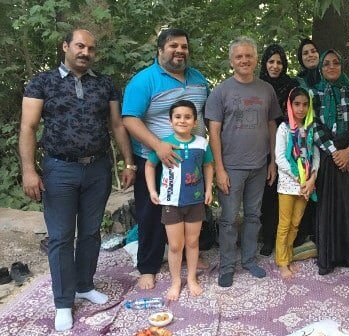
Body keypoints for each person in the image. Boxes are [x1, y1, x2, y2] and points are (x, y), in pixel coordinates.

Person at [19, 29, 135, 331]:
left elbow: (117, 125)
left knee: (91, 232)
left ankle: (84, 285)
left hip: (97, 169)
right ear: (66, 46)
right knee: (60, 237)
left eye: (91, 48)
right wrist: (30, 170)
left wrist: (129, 162)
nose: (85, 52)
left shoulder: (104, 84)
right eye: (80, 46)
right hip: (60, 169)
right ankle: (63, 301)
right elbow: (29, 127)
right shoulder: (42, 82)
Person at [122, 28, 209, 290]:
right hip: (157, 160)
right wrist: (158, 146)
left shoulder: (198, 78)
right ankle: (148, 266)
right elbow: (129, 119)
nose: (179, 51)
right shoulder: (144, 80)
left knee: (190, 209)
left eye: (184, 46)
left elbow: (204, 115)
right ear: (160, 50)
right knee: (152, 212)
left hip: (192, 160)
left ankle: (190, 256)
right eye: (173, 46)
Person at [206, 36, 282, 287]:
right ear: (231, 61)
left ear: (255, 58)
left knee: (253, 216)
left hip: (259, 165)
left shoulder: (266, 89)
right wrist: (219, 168)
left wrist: (272, 162)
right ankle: (227, 266)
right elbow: (213, 132)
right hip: (231, 167)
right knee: (228, 219)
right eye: (239, 56)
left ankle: (249, 259)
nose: (244, 60)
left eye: (248, 55)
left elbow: (272, 126)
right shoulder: (221, 91)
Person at [145, 100, 213, 300]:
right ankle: (176, 281)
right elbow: (149, 165)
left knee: (192, 242)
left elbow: (208, 166)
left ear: (194, 121)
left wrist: (209, 189)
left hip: (195, 202)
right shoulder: (164, 143)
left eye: (187, 117)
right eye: (178, 116)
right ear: (170, 120)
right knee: (175, 246)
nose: (182, 120)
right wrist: (152, 191)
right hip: (171, 202)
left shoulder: (202, 143)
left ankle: (191, 278)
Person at [312, 49, 349, 275]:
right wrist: (334, 152)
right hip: (328, 156)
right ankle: (329, 257)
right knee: (329, 207)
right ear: (321, 67)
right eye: (326, 63)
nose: (331, 67)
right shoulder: (314, 93)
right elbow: (313, 125)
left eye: (336, 62)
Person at [274, 87, 320, 278]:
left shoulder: (310, 129)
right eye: (297, 104)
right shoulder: (284, 128)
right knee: (284, 224)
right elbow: (280, 158)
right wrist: (298, 177)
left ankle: (289, 256)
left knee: (295, 224)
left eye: (305, 104)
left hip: (306, 185)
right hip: (288, 184)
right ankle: (282, 261)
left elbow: (315, 154)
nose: (301, 109)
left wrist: (312, 178)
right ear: (290, 106)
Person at [258, 44, 297, 256]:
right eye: (271, 61)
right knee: (267, 191)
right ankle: (267, 237)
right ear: (264, 63)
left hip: (288, 143)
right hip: (261, 143)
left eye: (279, 62)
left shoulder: (290, 85)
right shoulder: (257, 85)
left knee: (286, 189)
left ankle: (290, 237)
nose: (275, 66)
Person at [294, 38, 321, 247]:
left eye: (313, 51)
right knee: (305, 182)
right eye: (305, 53)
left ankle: (321, 233)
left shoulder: (331, 74)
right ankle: (303, 235)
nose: (310, 55)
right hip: (305, 139)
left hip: (329, 141)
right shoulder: (298, 82)